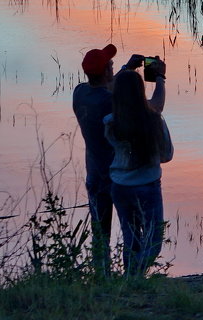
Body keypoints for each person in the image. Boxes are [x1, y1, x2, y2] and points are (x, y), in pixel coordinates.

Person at [104, 56, 172, 273]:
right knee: (153, 240)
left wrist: (127, 68)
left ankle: (131, 279)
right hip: (148, 185)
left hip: (120, 186)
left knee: (131, 238)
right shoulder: (153, 121)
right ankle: (134, 277)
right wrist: (159, 77)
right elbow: (166, 155)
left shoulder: (110, 123)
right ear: (141, 91)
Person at [71, 43, 118, 271]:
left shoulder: (79, 93)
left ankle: (101, 274)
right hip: (115, 176)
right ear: (107, 72)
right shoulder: (109, 102)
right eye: (111, 65)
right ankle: (135, 275)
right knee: (135, 226)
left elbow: (102, 87)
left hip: (94, 176)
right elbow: (112, 95)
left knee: (100, 233)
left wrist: (126, 69)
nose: (112, 66)